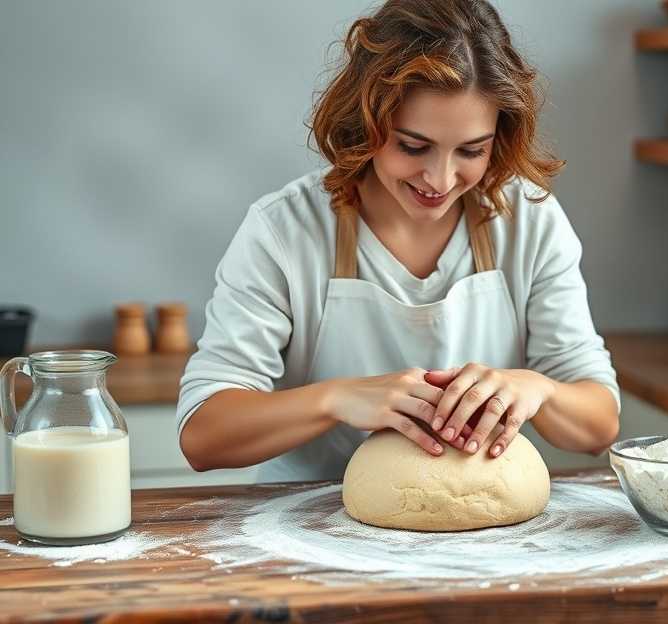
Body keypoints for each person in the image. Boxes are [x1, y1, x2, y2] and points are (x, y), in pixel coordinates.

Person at [177, 0, 620, 483]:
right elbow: (203, 435)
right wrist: (335, 398)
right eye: (413, 146)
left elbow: (599, 426)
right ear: (367, 121)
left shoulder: (527, 221)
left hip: (482, 543)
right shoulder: (285, 230)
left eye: (472, 150)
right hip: (307, 528)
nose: (441, 178)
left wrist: (538, 390)